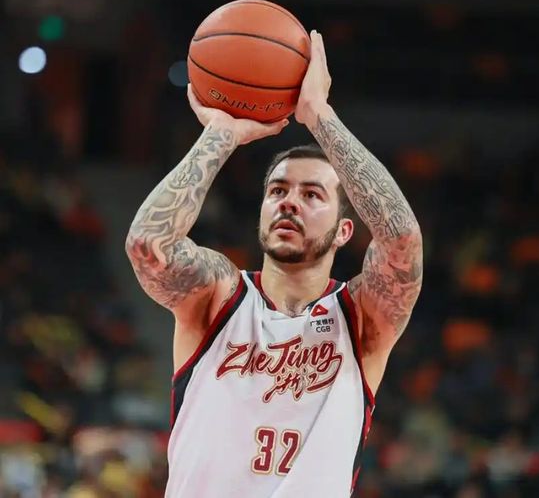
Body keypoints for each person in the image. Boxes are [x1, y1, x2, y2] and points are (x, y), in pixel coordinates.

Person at [125, 30, 423, 498]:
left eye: (312, 194)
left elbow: (401, 238)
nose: (289, 202)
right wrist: (221, 134)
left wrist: (319, 115)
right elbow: (148, 243)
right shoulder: (218, 295)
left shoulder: (362, 318)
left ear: (344, 231)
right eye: (278, 190)